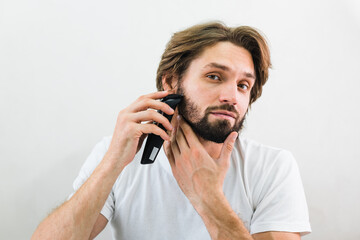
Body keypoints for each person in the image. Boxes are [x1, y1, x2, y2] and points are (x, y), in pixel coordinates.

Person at [32, 22, 311, 240]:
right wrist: (112, 164)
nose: (232, 96)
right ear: (171, 82)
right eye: (214, 76)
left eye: (243, 85)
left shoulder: (272, 167)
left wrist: (208, 196)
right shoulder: (115, 154)